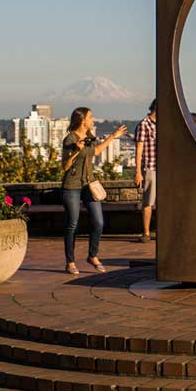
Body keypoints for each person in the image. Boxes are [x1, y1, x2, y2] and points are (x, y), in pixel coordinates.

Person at [61, 106, 126, 275]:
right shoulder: (70, 139)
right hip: (72, 185)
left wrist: (112, 136)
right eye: (90, 117)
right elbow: (65, 166)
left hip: (89, 184)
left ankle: (92, 256)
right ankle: (70, 262)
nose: (93, 119)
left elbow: (96, 151)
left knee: (98, 222)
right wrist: (76, 151)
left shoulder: (89, 136)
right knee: (72, 224)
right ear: (82, 120)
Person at [134, 100, 157, 244]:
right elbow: (139, 149)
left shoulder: (162, 124)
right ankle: (146, 232)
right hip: (150, 166)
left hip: (163, 167)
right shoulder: (144, 124)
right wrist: (138, 171)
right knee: (148, 200)